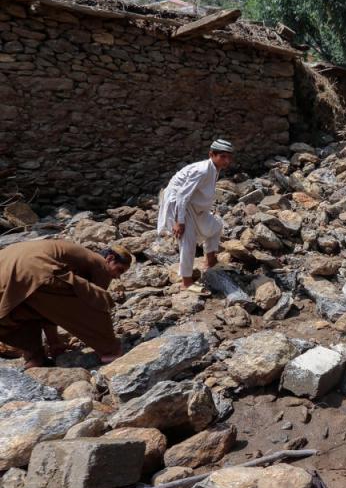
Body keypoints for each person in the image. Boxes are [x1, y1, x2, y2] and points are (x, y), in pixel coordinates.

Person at [0, 240, 131, 368]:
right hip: (34, 267)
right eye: (119, 270)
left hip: (5, 268)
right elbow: (90, 304)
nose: (117, 277)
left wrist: (54, 343)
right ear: (109, 258)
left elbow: (50, 307)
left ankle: (35, 357)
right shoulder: (101, 264)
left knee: (19, 310)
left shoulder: (77, 255)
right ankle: (110, 351)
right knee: (99, 298)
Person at [158, 139, 234, 289]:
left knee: (216, 226)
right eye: (223, 156)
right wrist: (179, 221)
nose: (227, 161)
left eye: (229, 157)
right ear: (212, 154)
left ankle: (210, 262)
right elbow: (182, 195)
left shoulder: (214, 169)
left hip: (194, 206)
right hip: (180, 205)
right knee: (188, 242)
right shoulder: (202, 170)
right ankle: (186, 282)